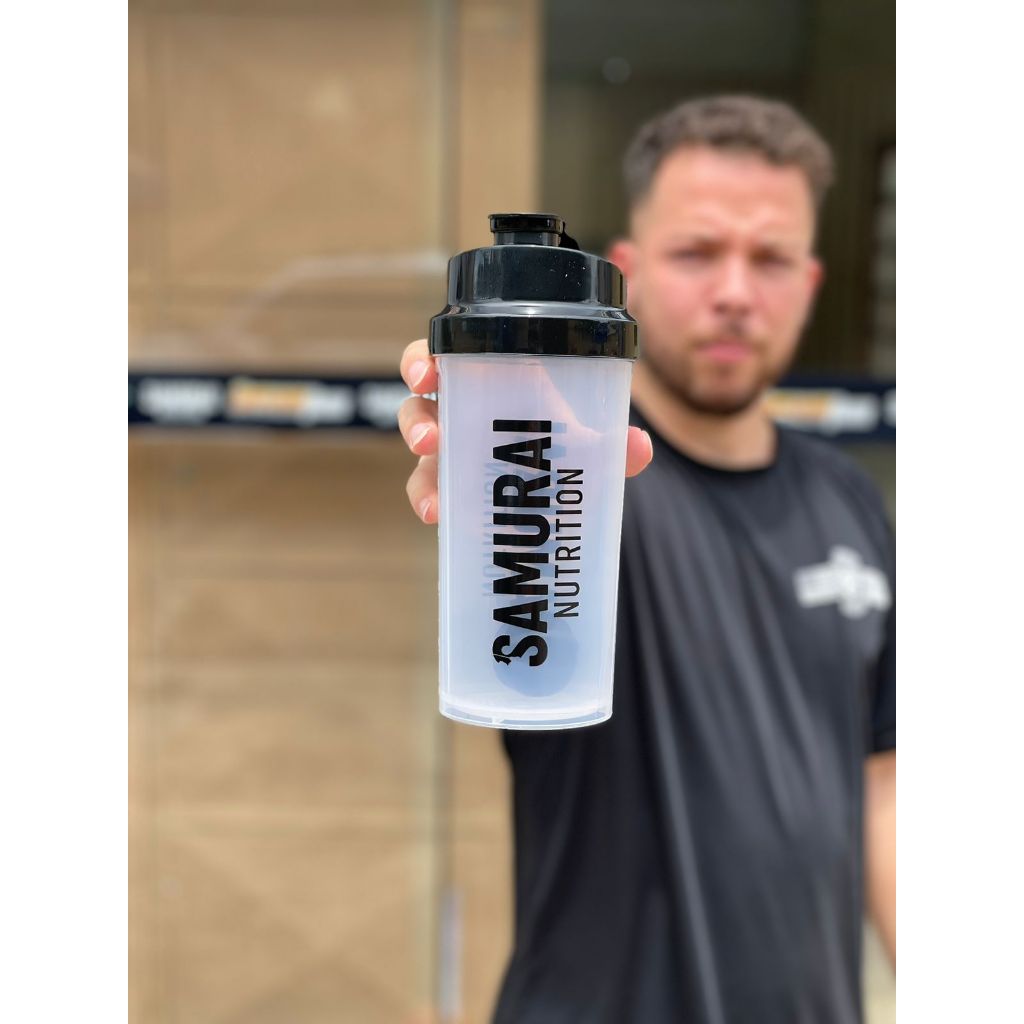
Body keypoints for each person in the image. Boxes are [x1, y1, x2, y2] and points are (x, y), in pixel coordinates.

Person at [398, 95, 895, 1024]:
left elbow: (884, 784)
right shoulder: (589, 490)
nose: (735, 291)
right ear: (625, 272)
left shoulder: (850, 500)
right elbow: (537, 518)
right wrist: (489, 442)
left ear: (811, 281)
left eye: (771, 258)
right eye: (697, 252)